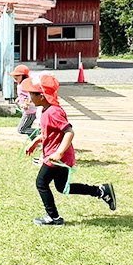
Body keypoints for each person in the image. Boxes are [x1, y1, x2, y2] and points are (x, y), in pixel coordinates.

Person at [23, 75, 116, 225]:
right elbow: (49, 133)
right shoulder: (46, 111)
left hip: (58, 158)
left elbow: (69, 132)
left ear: (41, 96)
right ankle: (101, 191)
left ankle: (54, 217)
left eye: (31, 93)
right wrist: (35, 141)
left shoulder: (54, 112)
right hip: (57, 157)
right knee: (62, 188)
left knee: (41, 183)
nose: (29, 96)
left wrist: (58, 153)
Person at [10, 64, 37, 135]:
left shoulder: (26, 84)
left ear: (24, 76)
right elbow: (23, 95)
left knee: (21, 129)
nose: (15, 78)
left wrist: (26, 103)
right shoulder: (20, 84)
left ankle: (41, 133)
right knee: (27, 128)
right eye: (15, 76)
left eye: (18, 76)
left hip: (30, 111)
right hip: (28, 110)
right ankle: (36, 143)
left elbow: (30, 95)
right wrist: (19, 99)